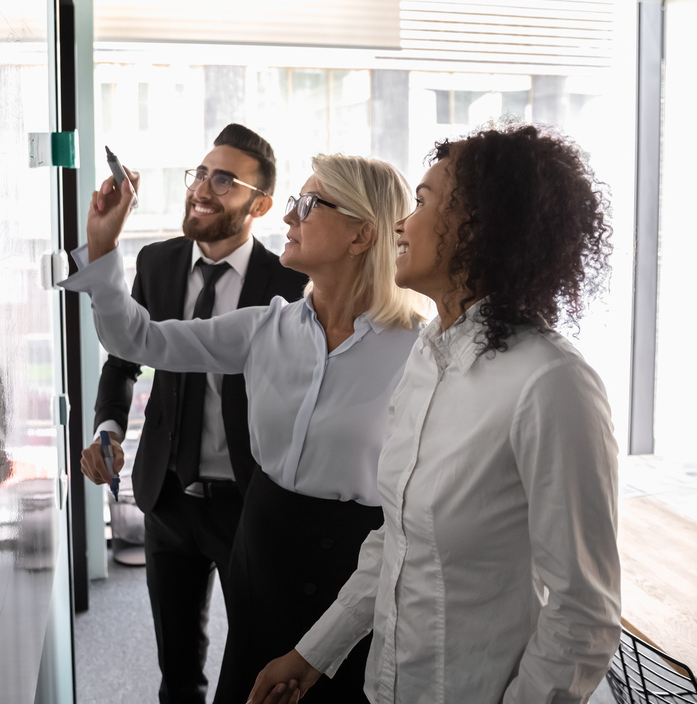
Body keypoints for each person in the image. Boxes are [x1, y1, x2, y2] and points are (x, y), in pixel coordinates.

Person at [247, 123, 621, 704]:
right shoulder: (426, 353)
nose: (401, 222)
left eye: (421, 203)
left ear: (479, 227)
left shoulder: (551, 383)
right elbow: (396, 542)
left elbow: (584, 614)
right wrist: (311, 655)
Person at [65, 149, 426, 704]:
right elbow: (139, 341)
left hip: (358, 563)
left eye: (309, 205)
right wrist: (106, 245)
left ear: (362, 235)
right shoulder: (268, 327)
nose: (288, 218)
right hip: (264, 541)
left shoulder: (418, 352)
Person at [78, 124, 307, 704]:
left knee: (255, 664)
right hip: (168, 497)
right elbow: (125, 359)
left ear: (261, 204)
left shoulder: (289, 284)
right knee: (177, 672)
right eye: (200, 174)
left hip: (251, 504)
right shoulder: (157, 262)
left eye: (224, 180)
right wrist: (108, 427)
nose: (202, 189)